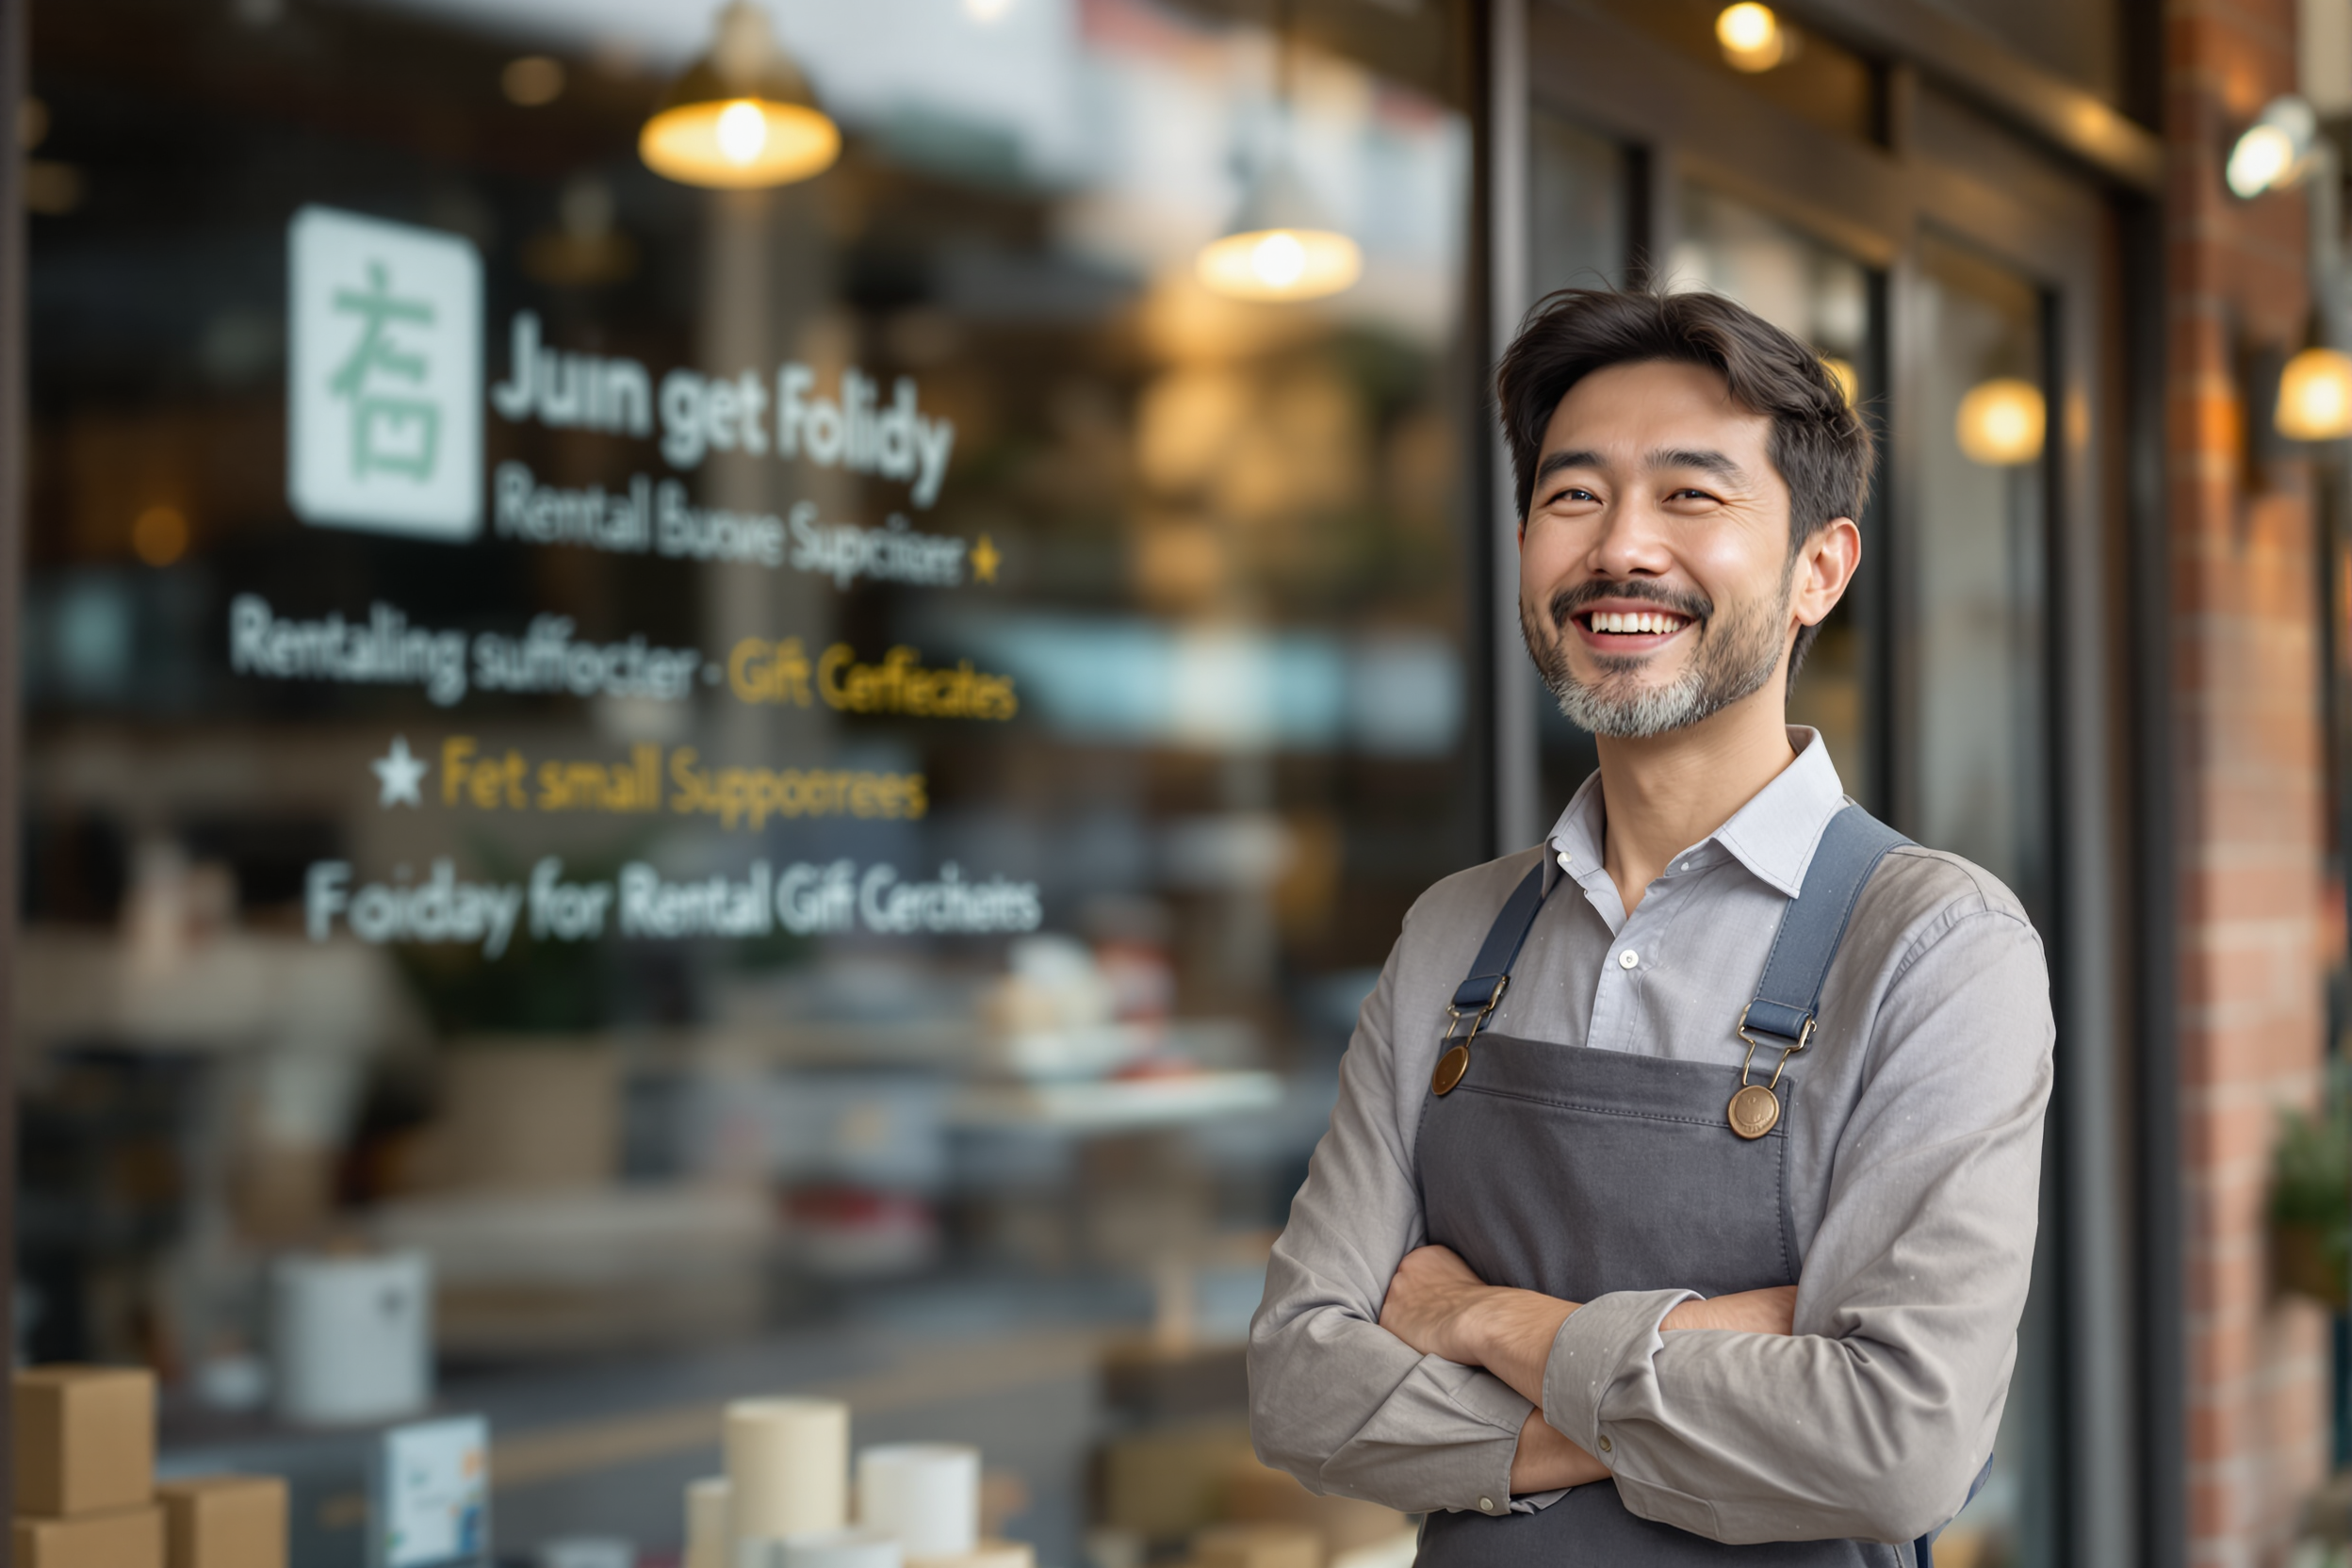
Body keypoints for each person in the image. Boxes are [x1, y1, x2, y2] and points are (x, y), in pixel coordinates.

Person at [1247, 287, 2052, 1565]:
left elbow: (1899, 1445)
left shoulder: (1937, 946)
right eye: (1574, 497)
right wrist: (1716, 1354)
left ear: (1819, 571)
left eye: (1691, 495)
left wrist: (1485, 1325)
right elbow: (1299, 1387)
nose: (1621, 548)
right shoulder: (1457, 936)